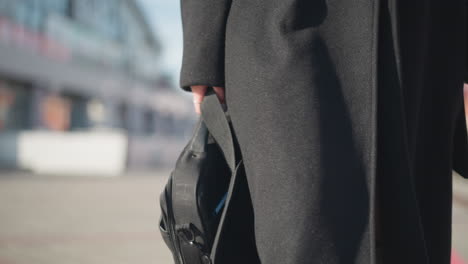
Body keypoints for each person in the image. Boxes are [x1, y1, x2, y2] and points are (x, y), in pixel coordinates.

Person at [178, 0, 468, 263]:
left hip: (421, 33)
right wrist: (202, 44)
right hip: (282, 24)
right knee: (302, 231)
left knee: (407, 235)